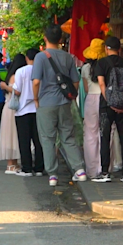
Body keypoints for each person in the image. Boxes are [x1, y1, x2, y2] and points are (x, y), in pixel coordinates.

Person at [31, 24, 87, 186]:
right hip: (64, 103)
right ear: (60, 39)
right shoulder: (68, 57)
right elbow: (75, 81)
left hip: (46, 104)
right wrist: (69, 96)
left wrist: (36, 99)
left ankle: (53, 175)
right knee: (68, 137)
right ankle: (79, 170)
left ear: (45, 38)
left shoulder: (40, 57)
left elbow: (36, 82)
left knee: (48, 139)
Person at [92, 36, 123, 183]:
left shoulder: (101, 63)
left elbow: (102, 84)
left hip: (106, 105)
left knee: (105, 136)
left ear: (106, 49)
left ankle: (105, 172)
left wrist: (110, 101)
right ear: (119, 49)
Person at [13, 48, 44, 177]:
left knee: (24, 140)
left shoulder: (21, 71)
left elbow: (17, 91)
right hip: (39, 109)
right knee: (39, 140)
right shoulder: (42, 71)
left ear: (26, 58)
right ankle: (39, 168)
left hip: (23, 110)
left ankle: (27, 168)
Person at [81, 39, 106, 178]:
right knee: (106, 133)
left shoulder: (85, 68)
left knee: (90, 134)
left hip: (90, 99)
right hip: (104, 98)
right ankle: (105, 166)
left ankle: (92, 169)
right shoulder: (106, 65)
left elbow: (86, 88)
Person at [0, 54, 25, 174]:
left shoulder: (10, 75)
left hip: (8, 107)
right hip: (14, 108)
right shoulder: (17, 76)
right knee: (13, 135)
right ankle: (11, 164)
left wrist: (5, 86)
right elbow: (16, 91)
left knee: (9, 135)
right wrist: (6, 87)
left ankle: (13, 163)